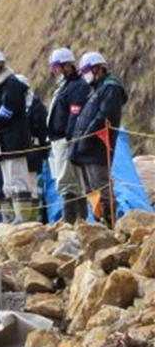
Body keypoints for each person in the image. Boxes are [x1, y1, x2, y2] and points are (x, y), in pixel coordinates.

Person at [69, 52, 128, 225]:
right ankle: (99, 224)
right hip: (86, 148)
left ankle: (111, 225)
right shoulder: (96, 90)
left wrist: (86, 135)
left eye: (87, 69)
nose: (85, 74)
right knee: (91, 191)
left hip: (98, 147)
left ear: (98, 69)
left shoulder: (110, 88)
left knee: (102, 189)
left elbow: (104, 116)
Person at [0, 48, 33, 223]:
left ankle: (23, 216)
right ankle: (11, 216)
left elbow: (7, 110)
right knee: (7, 181)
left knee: (18, 178)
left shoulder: (12, 84)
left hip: (14, 140)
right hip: (1, 141)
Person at [46, 47, 92, 223]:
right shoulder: (65, 85)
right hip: (58, 139)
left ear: (67, 66)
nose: (54, 70)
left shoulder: (77, 86)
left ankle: (72, 220)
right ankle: (78, 219)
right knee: (68, 180)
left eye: (57, 66)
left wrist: (69, 136)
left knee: (67, 181)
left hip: (66, 139)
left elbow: (75, 112)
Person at [16, 74, 49, 222]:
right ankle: (22, 216)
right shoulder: (15, 107)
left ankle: (35, 217)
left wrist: (43, 150)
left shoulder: (36, 107)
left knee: (32, 185)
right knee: (18, 185)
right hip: (18, 152)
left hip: (33, 151)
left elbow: (42, 130)